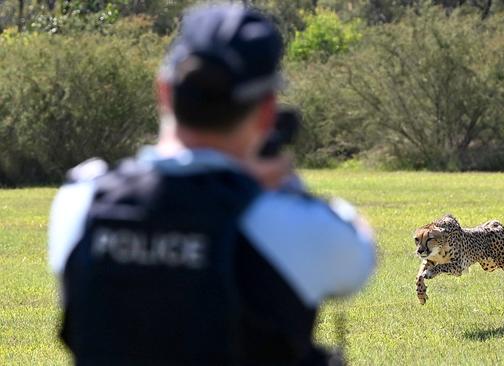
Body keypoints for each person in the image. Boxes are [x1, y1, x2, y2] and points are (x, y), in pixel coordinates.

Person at [47, 4, 375, 365]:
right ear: (267, 112)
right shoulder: (292, 225)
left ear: (163, 91)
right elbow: (359, 254)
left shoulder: (81, 203)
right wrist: (278, 185)